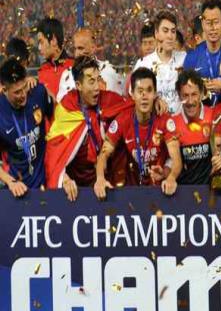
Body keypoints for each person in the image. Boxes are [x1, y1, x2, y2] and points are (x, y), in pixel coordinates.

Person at [45, 56, 133, 201]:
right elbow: (54, 152)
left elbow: (132, 107)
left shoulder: (109, 100)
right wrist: (64, 178)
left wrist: (155, 102)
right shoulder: (67, 108)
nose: (97, 87)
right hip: (77, 191)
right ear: (78, 85)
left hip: (108, 183)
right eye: (91, 82)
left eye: (98, 80)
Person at [94, 67, 181, 199]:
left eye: (149, 90)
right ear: (132, 95)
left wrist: (171, 177)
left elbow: (176, 159)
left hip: (160, 191)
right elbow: (103, 154)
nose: (144, 96)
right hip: (131, 193)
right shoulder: (123, 120)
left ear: (155, 94)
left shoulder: (165, 120)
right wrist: (100, 178)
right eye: (140, 91)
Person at [0, 58, 53, 196]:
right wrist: (10, 182)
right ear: (4, 90)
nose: (23, 95)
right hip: (16, 188)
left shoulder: (38, 93)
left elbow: (57, 119)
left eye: (24, 87)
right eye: (17, 92)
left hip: (45, 184)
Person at [183, 0, 221, 105]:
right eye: (208, 23)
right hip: (201, 115)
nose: (213, 27)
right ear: (203, 24)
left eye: (216, 22)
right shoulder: (191, 57)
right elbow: (185, 97)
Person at [164, 69, 213, 184]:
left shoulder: (213, 116)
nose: (190, 101)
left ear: (202, 94)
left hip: (211, 189)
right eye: (185, 95)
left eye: (194, 94)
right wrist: (166, 174)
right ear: (179, 96)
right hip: (184, 190)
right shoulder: (172, 124)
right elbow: (171, 162)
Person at [133, 10, 186, 114]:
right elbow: (133, 95)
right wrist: (154, 99)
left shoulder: (185, 59)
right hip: (155, 122)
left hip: (181, 122)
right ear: (156, 34)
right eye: (165, 31)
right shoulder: (143, 64)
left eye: (173, 31)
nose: (170, 36)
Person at [58, 27, 126, 101]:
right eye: (75, 49)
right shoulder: (67, 75)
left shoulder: (108, 72)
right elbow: (61, 104)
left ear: (93, 48)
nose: (77, 53)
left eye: (81, 48)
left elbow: (119, 102)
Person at [36, 17, 73, 99]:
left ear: (53, 40)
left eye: (41, 42)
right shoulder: (42, 71)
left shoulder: (74, 67)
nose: (39, 47)